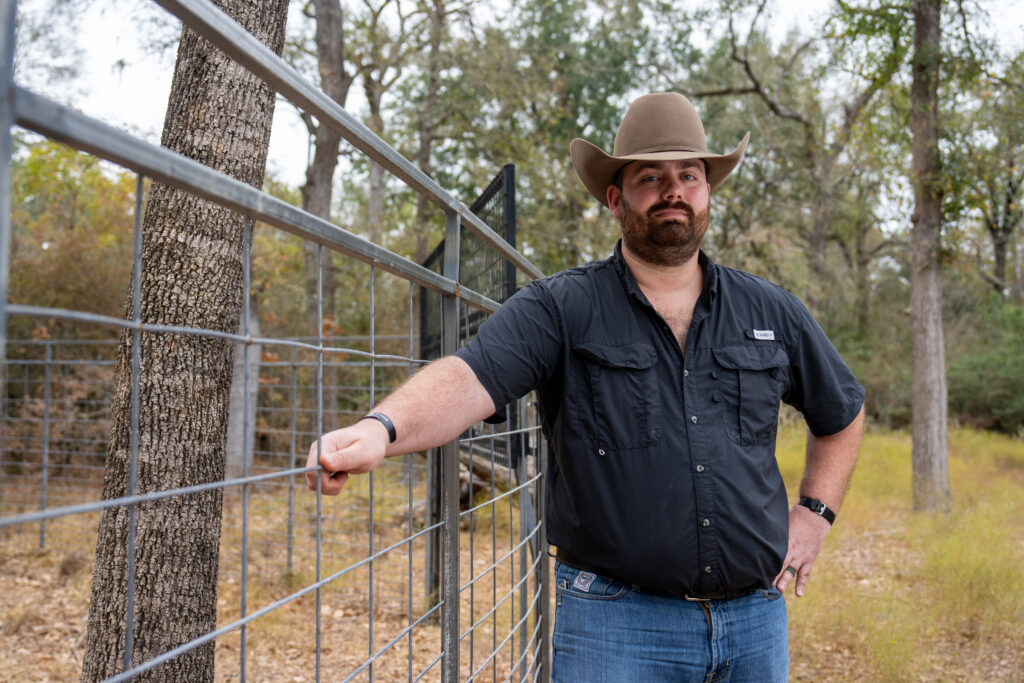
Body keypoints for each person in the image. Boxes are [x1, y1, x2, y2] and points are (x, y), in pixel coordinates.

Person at [307, 92, 865, 682]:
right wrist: (379, 428)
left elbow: (842, 413)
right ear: (615, 198)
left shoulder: (770, 309)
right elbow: (469, 377)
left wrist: (815, 514)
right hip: (617, 628)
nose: (673, 190)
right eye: (651, 177)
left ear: (708, 193)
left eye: (689, 175)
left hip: (755, 622)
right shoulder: (562, 307)